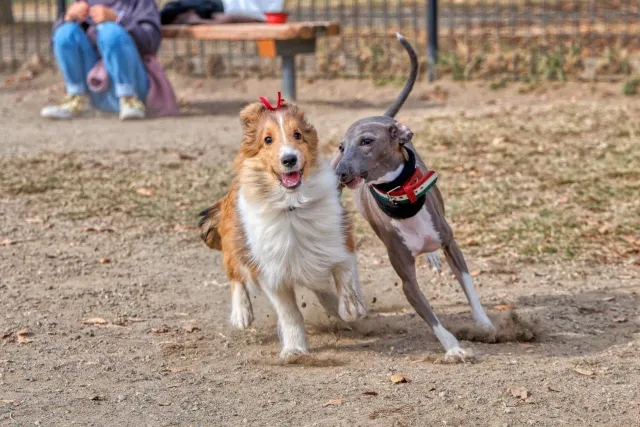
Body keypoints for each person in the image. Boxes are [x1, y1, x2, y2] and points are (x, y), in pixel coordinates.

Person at [42, 0, 176, 120]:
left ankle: (129, 100)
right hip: (93, 85)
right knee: (65, 32)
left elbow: (151, 42)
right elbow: (57, 42)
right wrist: (68, 18)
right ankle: (77, 98)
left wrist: (118, 19)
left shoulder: (141, 3)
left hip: (133, 82)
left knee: (110, 32)